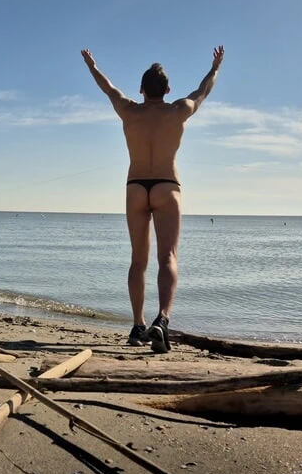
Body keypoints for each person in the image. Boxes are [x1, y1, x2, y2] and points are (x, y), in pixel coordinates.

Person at [81, 47, 222, 353]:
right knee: (168, 256)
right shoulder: (178, 110)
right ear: (168, 90)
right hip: (166, 184)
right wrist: (215, 68)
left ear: (142, 89)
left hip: (135, 186)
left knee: (137, 260)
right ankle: (162, 320)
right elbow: (203, 91)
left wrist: (93, 65)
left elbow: (108, 88)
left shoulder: (129, 110)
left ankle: (136, 325)